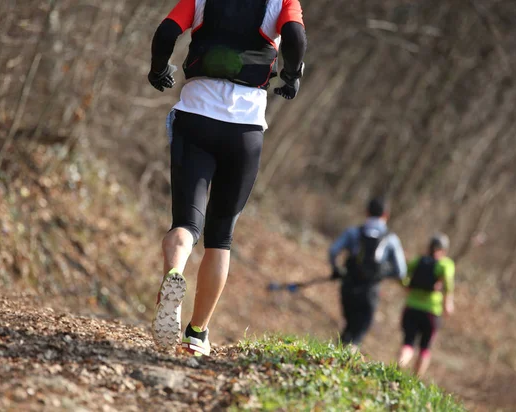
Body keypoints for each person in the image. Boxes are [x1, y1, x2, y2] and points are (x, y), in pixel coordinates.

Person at [148, 0, 307, 356]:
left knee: (187, 223)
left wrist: (159, 69)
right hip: (245, 130)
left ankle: (175, 273)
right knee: (220, 239)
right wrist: (292, 74)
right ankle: (197, 333)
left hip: (195, 117)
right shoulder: (282, 2)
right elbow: (295, 35)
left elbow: (166, 32)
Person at [329, 197, 407, 348]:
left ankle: (333, 359)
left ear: (366, 212)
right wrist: (381, 274)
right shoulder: (391, 239)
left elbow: (333, 251)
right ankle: (338, 362)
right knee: (357, 334)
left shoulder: (353, 232)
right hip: (370, 291)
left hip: (348, 286)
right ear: (386, 215)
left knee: (350, 328)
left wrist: (336, 270)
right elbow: (401, 271)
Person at [397, 233, 455, 377]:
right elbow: (448, 284)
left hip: (411, 308)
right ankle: (414, 382)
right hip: (431, 312)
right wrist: (447, 303)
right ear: (445, 249)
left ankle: (399, 367)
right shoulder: (445, 264)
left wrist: (406, 286)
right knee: (425, 348)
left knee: (408, 343)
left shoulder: (418, 260)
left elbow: (401, 273)